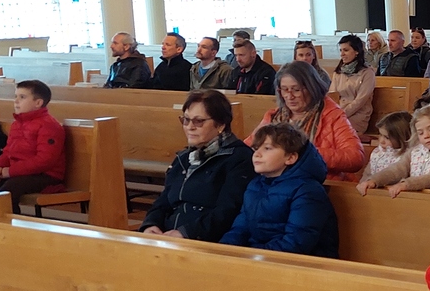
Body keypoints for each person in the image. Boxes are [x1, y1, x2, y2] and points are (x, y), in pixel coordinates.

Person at [140, 89, 257, 242]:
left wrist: (186, 233)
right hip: (169, 236)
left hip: (207, 241)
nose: (190, 127)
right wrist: (151, 224)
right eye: (186, 120)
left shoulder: (239, 158)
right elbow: (164, 200)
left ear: (220, 124)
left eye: (198, 121)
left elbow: (228, 211)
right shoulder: (184, 157)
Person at [220, 123, 338, 258]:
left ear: (290, 158)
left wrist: (251, 255)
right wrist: (224, 250)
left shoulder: (308, 191)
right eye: (256, 148)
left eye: (267, 148)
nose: (257, 154)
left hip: (302, 264)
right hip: (261, 257)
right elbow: (240, 228)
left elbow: (296, 243)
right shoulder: (255, 185)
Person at [248, 61, 365, 174]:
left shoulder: (332, 115)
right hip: (275, 180)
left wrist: (305, 152)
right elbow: (249, 147)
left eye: (296, 90)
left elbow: (355, 158)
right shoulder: (274, 116)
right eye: (284, 90)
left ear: (312, 88)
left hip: (321, 181)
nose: (289, 96)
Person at [0, 80, 65, 207]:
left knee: (7, 192)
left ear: (38, 103)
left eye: (22, 97)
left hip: (45, 175)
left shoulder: (49, 126)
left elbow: (45, 160)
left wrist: (10, 171)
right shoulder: (17, 124)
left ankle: (7, 220)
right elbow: (8, 151)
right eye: (16, 96)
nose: (16, 101)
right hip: (20, 172)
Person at [365, 104, 430, 196]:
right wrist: (375, 180)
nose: (426, 136)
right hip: (416, 200)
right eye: (420, 133)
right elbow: (398, 169)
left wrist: (407, 184)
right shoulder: (415, 151)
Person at [355, 111, 412, 193]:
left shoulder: (407, 156)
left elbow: (397, 174)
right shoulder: (377, 153)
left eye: (387, 137)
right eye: (380, 134)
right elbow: (367, 174)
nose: (381, 141)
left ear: (401, 138)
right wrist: (362, 186)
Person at [331, 34, 376, 136]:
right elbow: (333, 96)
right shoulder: (338, 72)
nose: (342, 54)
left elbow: (360, 100)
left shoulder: (367, 73)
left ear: (356, 51)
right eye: (340, 50)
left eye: (346, 50)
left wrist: (341, 114)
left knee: (336, 131)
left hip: (358, 115)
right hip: (339, 113)